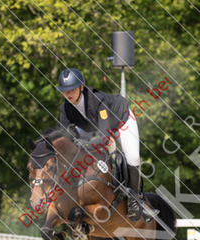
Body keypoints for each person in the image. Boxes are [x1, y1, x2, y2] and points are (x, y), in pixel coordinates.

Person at [56, 67, 152, 221]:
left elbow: (105, 139)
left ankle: (135, 199)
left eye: (72, 89)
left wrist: (84, 145)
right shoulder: (65, 110)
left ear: (81, 87)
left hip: (120, 121)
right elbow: (64, 140)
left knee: (133, 157)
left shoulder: (97, 101)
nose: (68, 94)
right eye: (65, 91)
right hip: (92, 126)